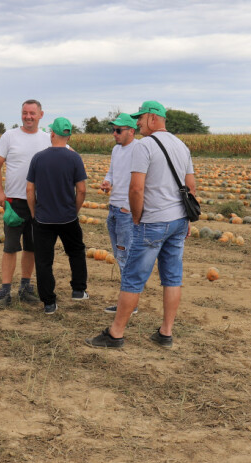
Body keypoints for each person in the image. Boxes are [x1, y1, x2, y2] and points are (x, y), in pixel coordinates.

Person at [85, 101, 195, 349]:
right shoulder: (182, 145)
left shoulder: (144, 146)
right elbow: (191, 187)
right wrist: (186, 219)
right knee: (172, 278)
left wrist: (136, 218)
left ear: (153, 118)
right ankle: (166, 333)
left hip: (152, 221)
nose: (137, 123)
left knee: (133, 278)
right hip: (178, 221)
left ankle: (115, 334)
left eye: (140, 118)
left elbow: (136, 188)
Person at [25, 117, 89, 315]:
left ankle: (49, 303)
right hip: (68, 217)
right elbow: (82, 190)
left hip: (43, 218)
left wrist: (34, 212)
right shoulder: (74, 158)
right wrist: (74, 210)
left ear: (52, 134)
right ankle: (78, 290)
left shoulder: (38, 158)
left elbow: (29, 189)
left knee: (44, 260)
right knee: (76, 251)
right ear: (68, 135)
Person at [0, 99, 48, 309]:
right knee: (10, 247)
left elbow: (66, 155)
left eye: (32, 113)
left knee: (32, 247)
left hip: (39, 203)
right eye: (25, 113)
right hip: (14, 202)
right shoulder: (10, 136)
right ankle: (5, 291)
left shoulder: (47, 138)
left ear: (41, 115)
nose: (28, 116)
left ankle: (25, 287)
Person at [99, 113, 140, 315]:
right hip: (114, 209)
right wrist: (108, 182)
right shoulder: (116, 150)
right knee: (119, 255)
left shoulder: (139, 149)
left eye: (118, 130)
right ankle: (128, 302)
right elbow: (112, 172)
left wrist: (128, 207)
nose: (114, 134)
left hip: (125, 212)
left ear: (131, 131)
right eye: (113, 130)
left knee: (126, 257)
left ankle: (129, 304)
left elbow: (143, 182)